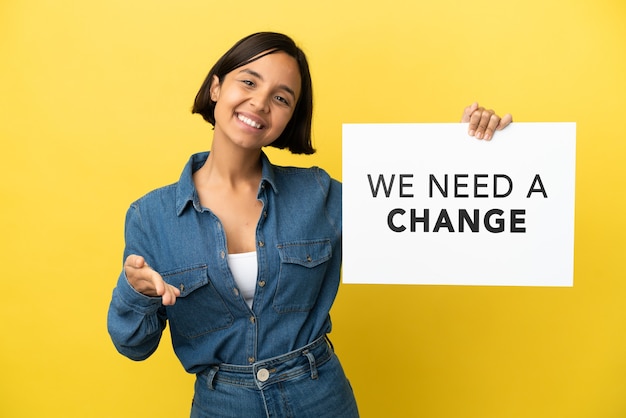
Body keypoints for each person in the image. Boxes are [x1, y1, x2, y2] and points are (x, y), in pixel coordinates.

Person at [107, 32, 512, 418]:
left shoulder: (319, 193)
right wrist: (137, 294)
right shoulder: (150, 217)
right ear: (216, 87)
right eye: (248, 81)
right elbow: (133, 346)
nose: (260, 103)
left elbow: (424, 216)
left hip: (319, 397)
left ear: (290, 117)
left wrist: (471, 151)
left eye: (281, 98)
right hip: (221, 405)